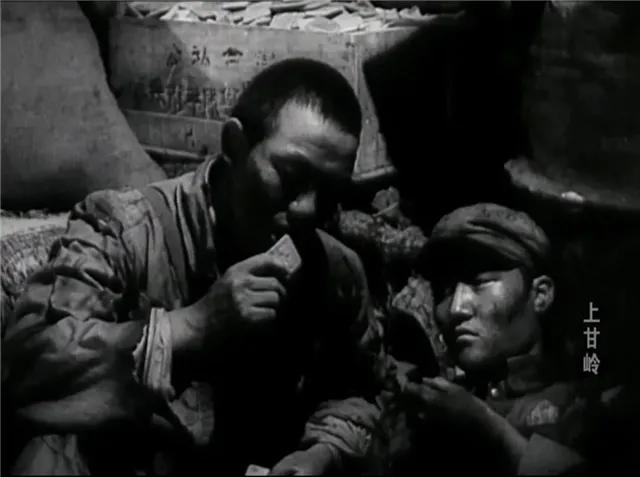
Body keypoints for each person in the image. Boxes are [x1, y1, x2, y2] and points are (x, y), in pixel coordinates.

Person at [2, 58, 387, 475]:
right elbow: (29, 368)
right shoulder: (125, 230)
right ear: (234, 145)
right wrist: (192, 326)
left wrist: (322, 454)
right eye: (290, 176)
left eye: (330, 193)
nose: (307, 210)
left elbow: (359, 390)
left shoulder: (336, 271)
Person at [392, 203, 609, 475]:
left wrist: (492, 433)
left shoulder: (591, 410)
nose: (456, 307)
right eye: (443, 291)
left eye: (480, 283)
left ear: (540, 295)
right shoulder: (423, 411)